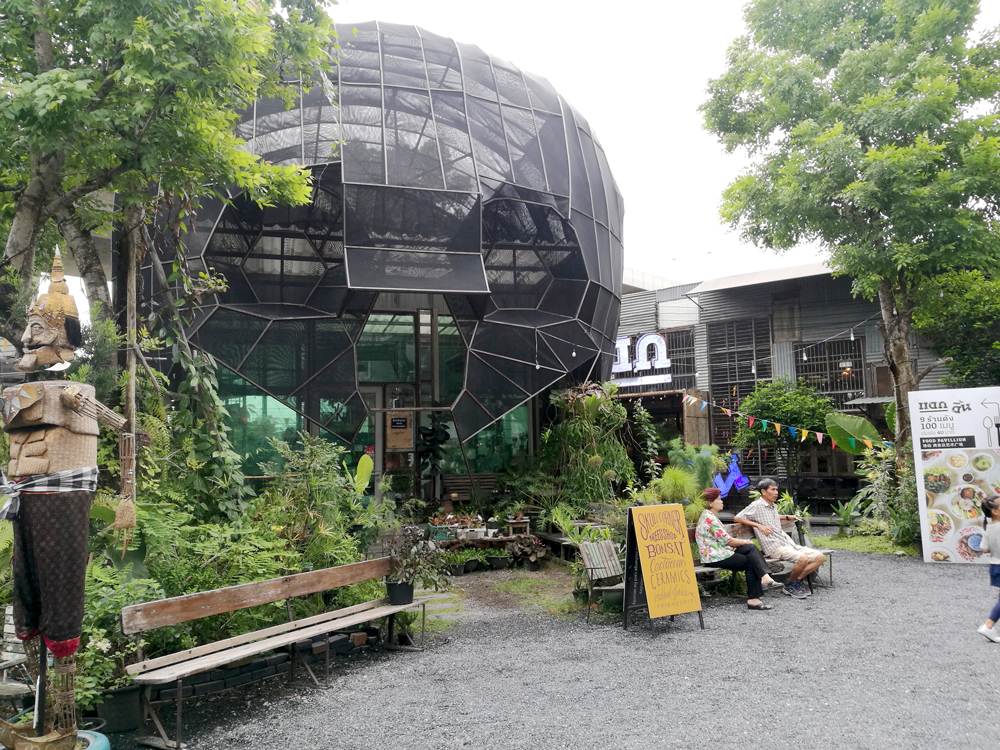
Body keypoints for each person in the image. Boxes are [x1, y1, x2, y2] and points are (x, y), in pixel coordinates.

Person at [735, 478, 825, 599]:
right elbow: (737, 518)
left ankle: (793, 582)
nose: (776, 492)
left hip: (787, 543)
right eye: (772, 489)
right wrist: (759, 526)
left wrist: (787, 517)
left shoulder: (773, 506)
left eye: (776, 489)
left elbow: (771, 516)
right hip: (773, 546)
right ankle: (791, 584)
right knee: (803, 559)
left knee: (820, 557)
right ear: (763, 492)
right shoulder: (756, 505)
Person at [696, 487, 783, 610]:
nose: (721, 501)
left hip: (721, 552)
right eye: (719, 499)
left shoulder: (709, 516)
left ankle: (764, 578)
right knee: (750, 562)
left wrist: (746, 543)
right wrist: (745, 541)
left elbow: (725, 541)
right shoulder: (709, 518)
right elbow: (728, 540)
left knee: (750, 548)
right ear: (710, 503)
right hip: (714, 557)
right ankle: (754, 598)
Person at [976, 496, 1000, 642]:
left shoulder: (989, 528)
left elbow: (984, 549)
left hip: (995, 566)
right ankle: (988, 626)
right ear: (995, 511)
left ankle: (989, 626)